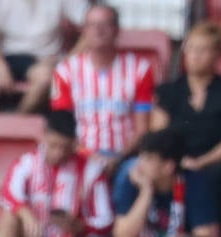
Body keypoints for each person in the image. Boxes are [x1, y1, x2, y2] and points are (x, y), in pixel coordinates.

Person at [137, 22, 221, 237]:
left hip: (213, 164)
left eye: (203, 50)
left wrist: (202, 162)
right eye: (191, 48)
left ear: (217, 55)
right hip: (174, 162)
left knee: (215, 178)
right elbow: (158, 135)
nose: (195, 56)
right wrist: (180, 160)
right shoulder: (169, 92)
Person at [0, 108, 113, 237]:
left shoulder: (92, 170)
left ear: (75, 143)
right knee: (9, 219)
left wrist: (79, 226)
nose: (59, 153)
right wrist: (26, 214)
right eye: (54, 145)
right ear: (44, 138)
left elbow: (106, 220)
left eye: (66, 147)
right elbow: (9, 193)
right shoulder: (27, 163)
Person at [51, 4, 153, 167]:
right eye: (91, 25)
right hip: (79, 156)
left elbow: (143, 129)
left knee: (135, 171)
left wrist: (118, 158)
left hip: (124, 157)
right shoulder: (66, 71)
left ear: (116, 29)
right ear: (83, 31)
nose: (98, 30)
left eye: (104, 24)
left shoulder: (140, 69)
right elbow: (62, 128)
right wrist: (91, 157)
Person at [0, 0, 88, 113]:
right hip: (3, 57)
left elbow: (92, 26)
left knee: (45, 79)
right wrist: (0, 66)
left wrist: (66, 62)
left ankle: (17, 126)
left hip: (43, 60)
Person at [109, 129, 189, 237]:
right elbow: (122, 236)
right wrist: (146, 192)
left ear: (168, 166)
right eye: (141, 157)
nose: (140, 164)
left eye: (148, 159)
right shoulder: (132, 182)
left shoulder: (195, 184)